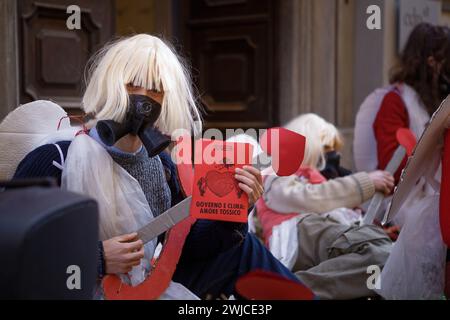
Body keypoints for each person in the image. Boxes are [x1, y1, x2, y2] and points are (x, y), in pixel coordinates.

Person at [11, 34, 299, 299]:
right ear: (110, 85)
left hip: (142, 284)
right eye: (132, 84)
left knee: (243, 248)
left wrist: (235, 209)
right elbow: (12, 251)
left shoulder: (160, 165)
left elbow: (184, 247)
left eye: (157, 90)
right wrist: (94, 258)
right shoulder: (55, 158)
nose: (144, 99)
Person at [256, 113, 394, 299]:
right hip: (301, 229)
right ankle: (285, 291)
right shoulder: (278, 167)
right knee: (382, 255)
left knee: (388, 259)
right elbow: (300, 197)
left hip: (318, 231)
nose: (333, 154)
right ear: (308, 143)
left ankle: (291, 288)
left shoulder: (313, 174)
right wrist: (364, 183)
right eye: (327, 147)